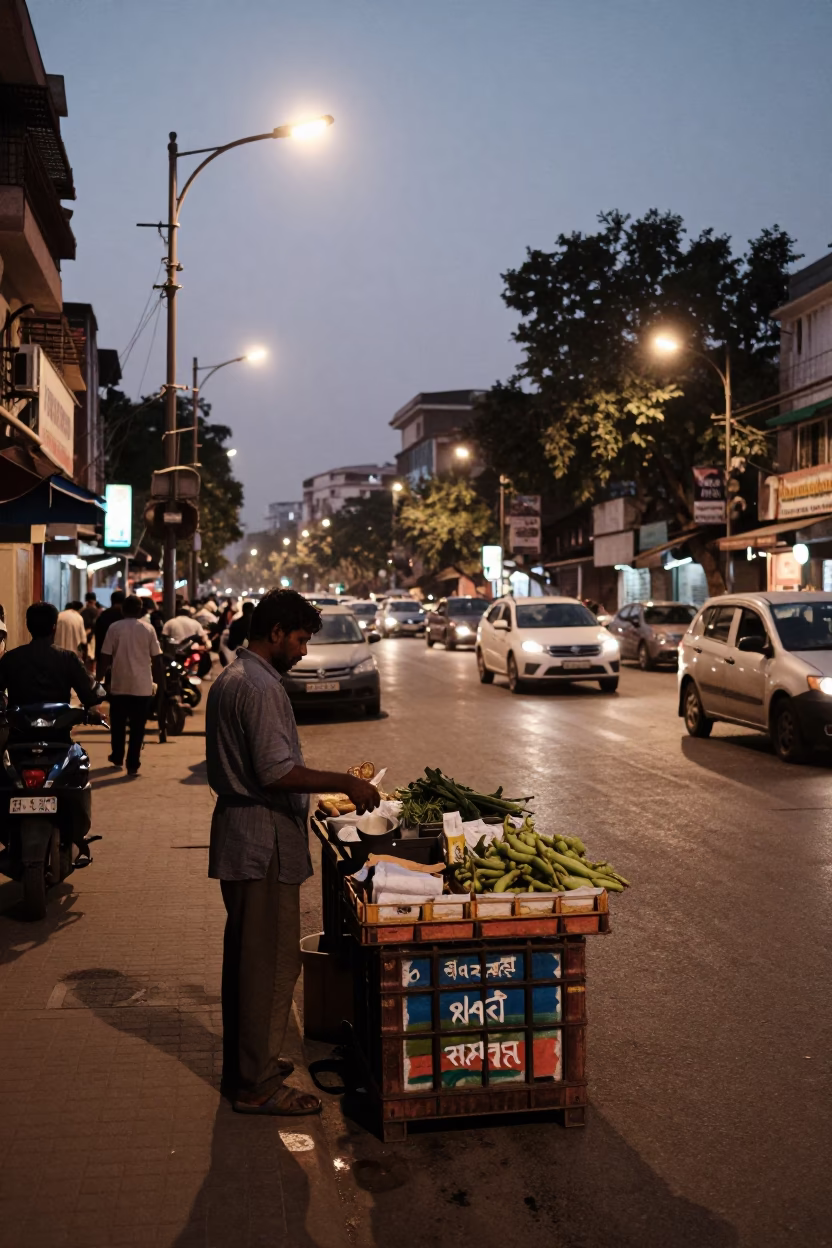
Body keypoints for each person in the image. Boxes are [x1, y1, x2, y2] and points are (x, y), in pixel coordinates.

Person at [205, 589, 379, 1116]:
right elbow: (275, 772)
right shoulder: (258, 687)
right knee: (270, 964)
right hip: (262, 841)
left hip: (244, 834)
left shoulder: (236, 677)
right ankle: (255, 1083)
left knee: (247, 959)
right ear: (275, 632)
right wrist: (345, 783)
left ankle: (249, 1061)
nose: (304, 651)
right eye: (301, 639)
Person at [98, 595, 164, 776]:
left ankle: (117, 756)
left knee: (118, 725)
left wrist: (99, 678)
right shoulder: (148, 629)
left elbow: (105, 655)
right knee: (138, 727)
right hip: (142, 686)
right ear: (140, 610)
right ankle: (133, 764)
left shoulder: (115, 628)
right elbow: (156, 659)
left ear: (123, 610)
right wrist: (160, 682)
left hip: (120, 685)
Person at [0, 602, 104, 715]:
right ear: (54, 627)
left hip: (20, 728)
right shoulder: (68, 659)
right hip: (57, 728)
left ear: (28, 626)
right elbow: (88, 695)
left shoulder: (11, 658)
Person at [94, 589, 125, 658]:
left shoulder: (104, 615)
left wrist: (98, 657)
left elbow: (98, 637)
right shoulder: (126, 616)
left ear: (111, 600)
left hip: (106, 655)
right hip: (123, 656)